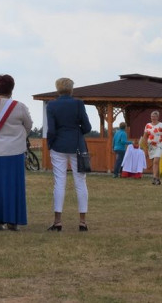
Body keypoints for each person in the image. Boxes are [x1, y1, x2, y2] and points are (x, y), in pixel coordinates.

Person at [0, 74, 32, 230]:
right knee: (13, 187)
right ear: (12, 88)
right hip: (14, 151)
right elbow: (28, 125)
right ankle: (12, 220)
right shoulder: (19, 106)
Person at [45, 78, 92, 232]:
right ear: (72, 89)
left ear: (57, 89)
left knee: (59, 182)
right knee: (80, 182)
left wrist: (51, 143)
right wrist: (77, 132)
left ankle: (57, 221)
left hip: (58, 145)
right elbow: (87, 126)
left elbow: (51, 130)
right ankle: (82, 221)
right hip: (77, 145)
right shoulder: (78, 104)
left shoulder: (51, 105)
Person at [144, 110, 162, 185]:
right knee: (155, 163)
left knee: (156, 161)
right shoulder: (147, 125)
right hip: (150, 145)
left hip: (159, 145)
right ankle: (157, 179)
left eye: (154, 116)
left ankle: (154, 178)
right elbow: (145, 137)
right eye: (152, 116)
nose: (153, 118)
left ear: (158, 117)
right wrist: (145, 147)